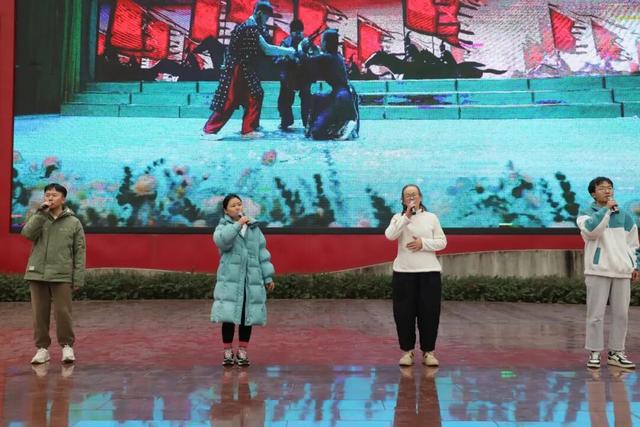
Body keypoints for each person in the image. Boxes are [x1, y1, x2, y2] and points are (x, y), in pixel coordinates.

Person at [201, 1, 296, 140]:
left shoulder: (251, 27)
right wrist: (289, 51)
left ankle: (249, 128)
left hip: (245, 68)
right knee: (230, 100)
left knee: (255, 95)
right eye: (266, 17)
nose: (267, 20)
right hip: (238, 68)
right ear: (260, 13)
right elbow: (267, 49)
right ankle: (209, 130)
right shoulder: (249, 28)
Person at [577, 177, 639, 369]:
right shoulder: (585, 214)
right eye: (602, 188)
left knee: (621, 315)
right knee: (595, 315)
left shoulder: (624, 216)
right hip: (598, 270)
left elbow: (633, 243)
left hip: (621, 271)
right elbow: (591, 232)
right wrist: (605, 210)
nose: (607, 191)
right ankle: (594, 352)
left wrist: (634, 265)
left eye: (610, 188)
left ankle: (616, 353)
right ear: (593, 193)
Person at [20, 183, 85, 365]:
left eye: (54, 195)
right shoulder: (39, 217)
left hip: (61, 274)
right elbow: (26, 234)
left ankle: (67, 346)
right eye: (47, 194)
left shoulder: (74, 222)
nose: (50, 197)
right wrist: (40, 213)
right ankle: (42, 349)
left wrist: (78, 277)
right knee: (39, 314)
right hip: (37, 272)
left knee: (63, 312)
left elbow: (80, 251)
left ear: (63, 199)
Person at [384, 184, 447, 367]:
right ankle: (407, 352)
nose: (411, 197)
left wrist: (423, 243)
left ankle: (429, 352)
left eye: (414, 194)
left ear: (420, 197)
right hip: (404, 273)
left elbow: (442, 242)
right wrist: (406, 217)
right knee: (404, 314)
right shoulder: (398, 218)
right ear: (403, 200)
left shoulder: (431, 217)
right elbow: (390, 235)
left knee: (429, 313)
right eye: (407, 195)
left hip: (429, 273)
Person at [211, 194, 275, 366]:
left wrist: (267, 277)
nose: (237, 207)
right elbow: (222, 242)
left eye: (239, 204)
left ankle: (242, 351)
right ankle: (227, 351)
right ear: (226, 210)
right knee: (229, 315)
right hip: (230, 281)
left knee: (248, 315)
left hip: (250, 281)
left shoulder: (254, 228)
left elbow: (262, 253)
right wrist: (238, 224)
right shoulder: (223, 227)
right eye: (233, 205)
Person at [298, 29, 359, 140]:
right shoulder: (336, 56)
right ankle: (342, 126)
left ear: (325, 43)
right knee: (318, 97)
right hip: (346, 93)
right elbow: (318, 57)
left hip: (340, 96)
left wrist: (300, 47)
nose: (319, 43)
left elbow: (306, 60)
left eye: (321, 41)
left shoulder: (327, 58)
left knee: (316, 132)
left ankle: (340, 128)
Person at [276, 19, 313, 131]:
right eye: (295, 31)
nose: (298, 34)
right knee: (284, 100)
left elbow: (314, 58)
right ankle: (286, 120)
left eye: (300, 31)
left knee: (306, 100)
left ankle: (307, 122)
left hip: (304, 75)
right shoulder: (285, 43)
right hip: (289, 76)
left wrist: (303, 57)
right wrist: (287, 57)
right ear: (291, 32)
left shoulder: (307, 43)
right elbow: (277, 60)